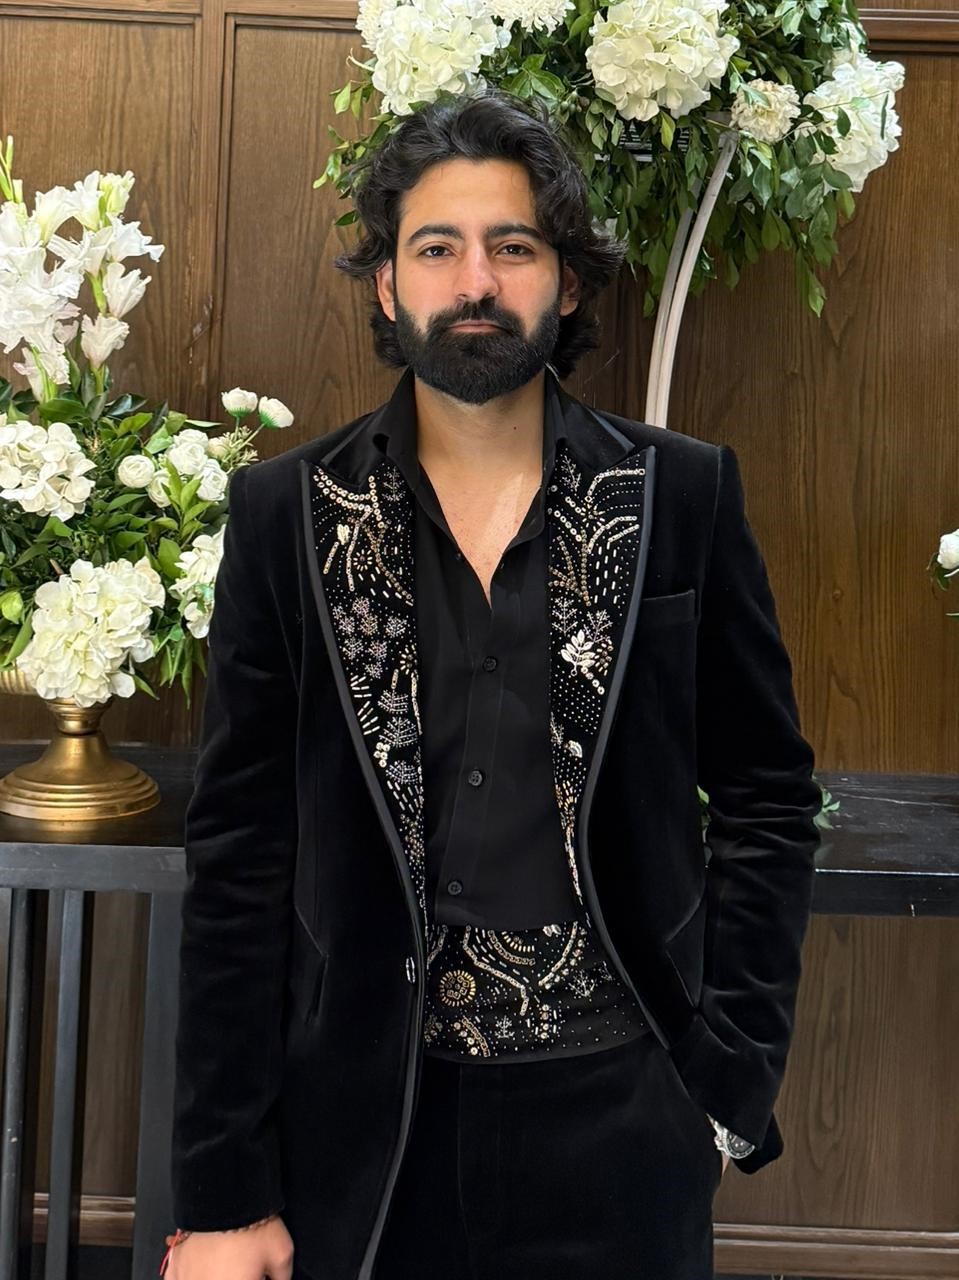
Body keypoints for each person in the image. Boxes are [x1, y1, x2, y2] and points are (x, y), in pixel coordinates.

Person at [166, 88, 821, 1280]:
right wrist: (222, 1190)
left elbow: (769, 798)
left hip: (625, 1115)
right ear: (387, 285)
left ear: (564, 282)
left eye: (511, 246)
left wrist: (725, 1082)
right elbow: (239, 857)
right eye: (437, 248)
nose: (475, 280)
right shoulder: (287, 515)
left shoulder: (681, 497)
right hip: (364, 1126)